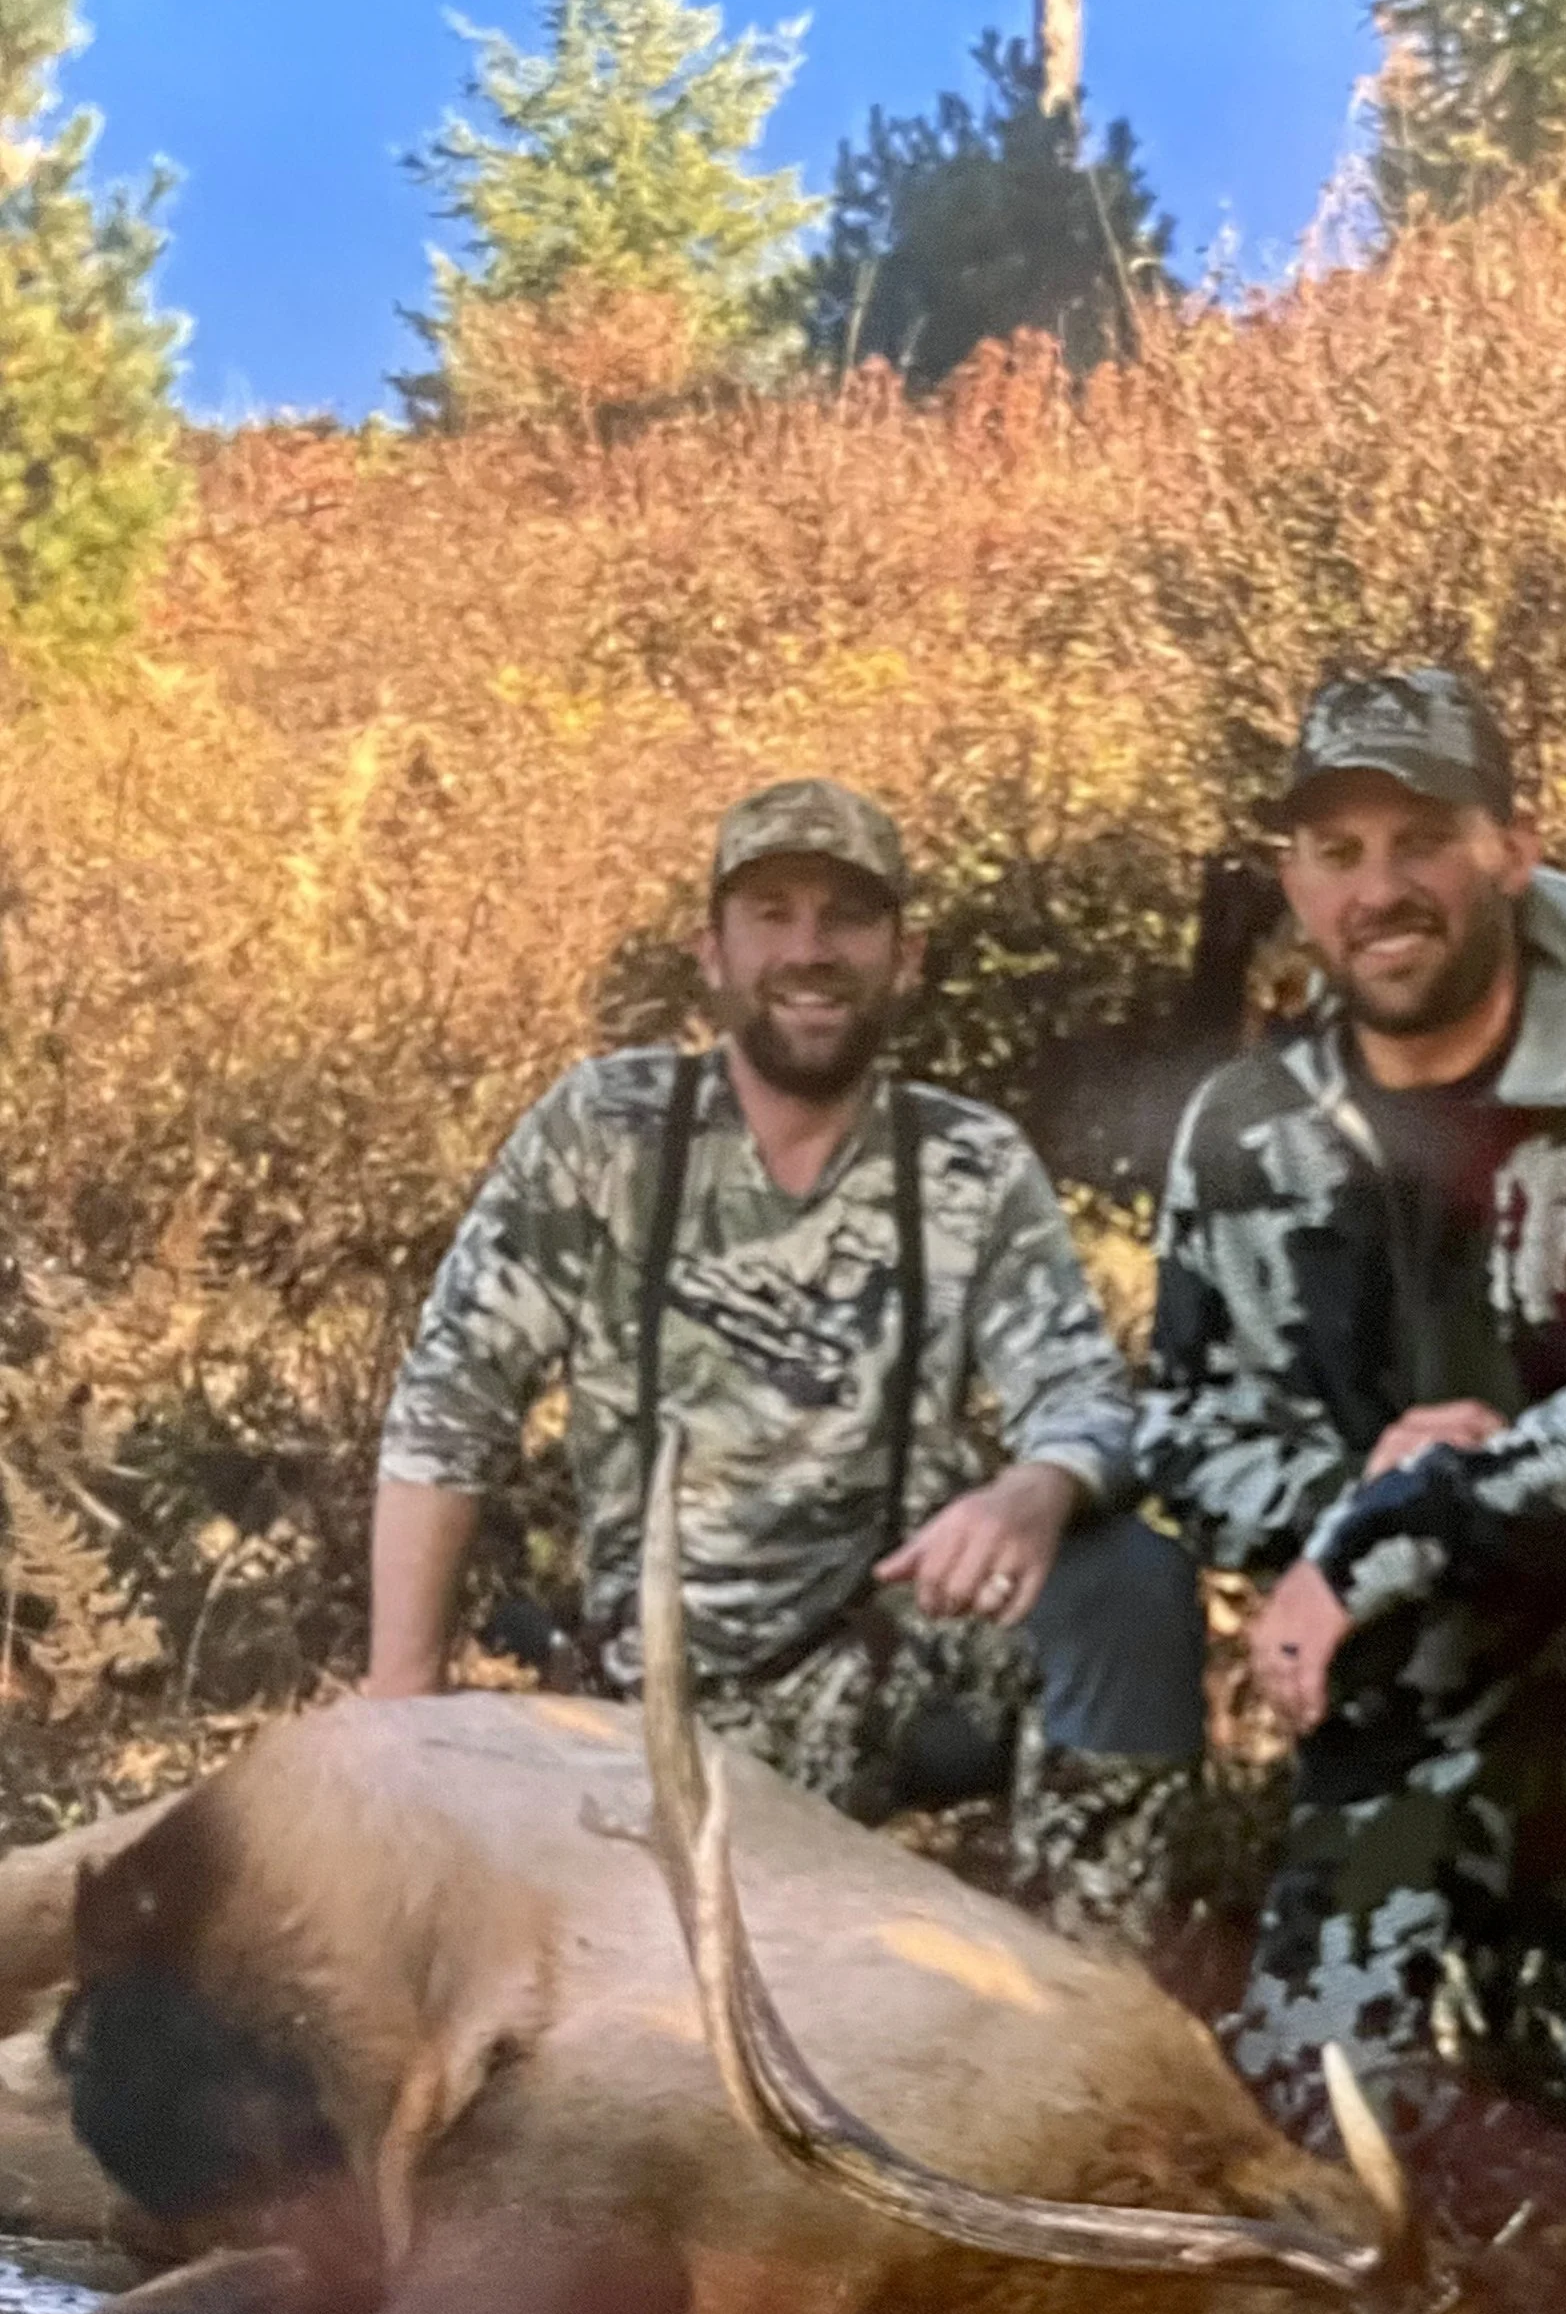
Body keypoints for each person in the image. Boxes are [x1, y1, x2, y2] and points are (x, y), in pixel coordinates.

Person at [1139, 669, 1566, 2152]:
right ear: (1292, 881)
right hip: (1404, 1702)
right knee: (1310, 2158)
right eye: (1337, 852)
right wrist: (1344, 1492)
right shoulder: (1252, 1129)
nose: (1380, 891)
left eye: (1421, 840)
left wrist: (1404, 1516)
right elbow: (1185, 1436)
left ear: (1513, 847)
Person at [371, 776, 1204, 1940]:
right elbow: (448, 1406)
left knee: (1129, 1586)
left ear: (904, 956)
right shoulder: (605, 1134)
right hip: (648, 1699)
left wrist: (1034, 1490)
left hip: (881, 1667)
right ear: (710, 952)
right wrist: (399, 1715)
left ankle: (1084, 1994)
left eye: (846, 918)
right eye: (772, 915)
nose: (809, 951)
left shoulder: (968, 1165)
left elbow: (1082, 1394)